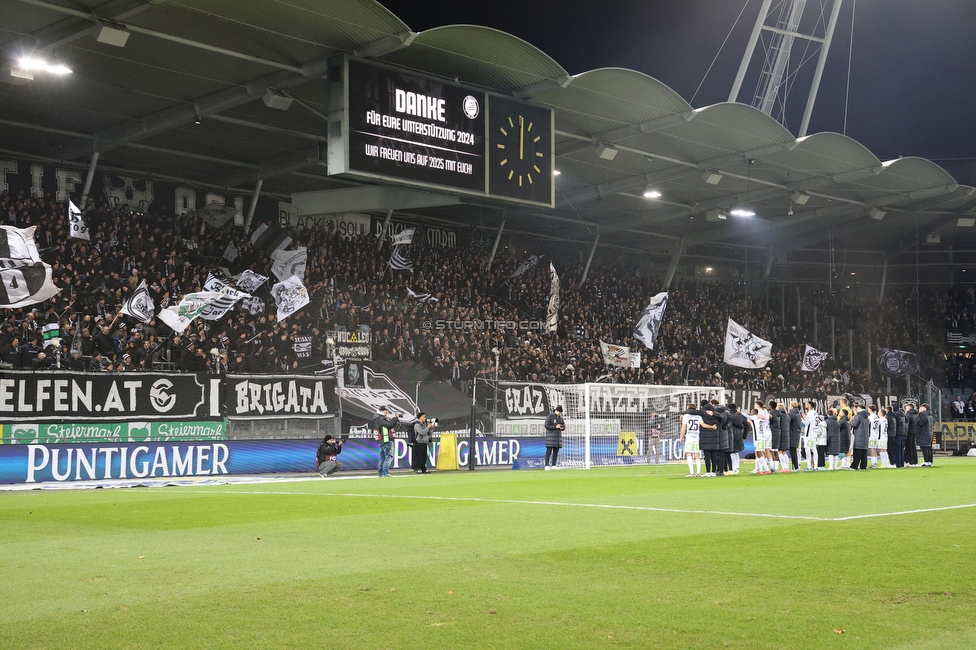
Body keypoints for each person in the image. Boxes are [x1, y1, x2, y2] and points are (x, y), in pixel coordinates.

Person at [373, 406, 401, 478]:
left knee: (383, 457)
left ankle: (381, 474)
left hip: (381, 440)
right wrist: (395, 418)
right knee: (389, 456)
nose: (387, 412)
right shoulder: (381, 418)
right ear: (382, 411)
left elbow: (387, 424)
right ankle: (385, 473)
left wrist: (394, 419)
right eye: (385, 411)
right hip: (386, 440)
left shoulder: (377, 418)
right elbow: (389, 425)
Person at [679, 403, 705, 476]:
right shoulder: (699, 416)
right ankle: (698, 472)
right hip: (696, 437)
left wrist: (681, 436)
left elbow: (684, 427)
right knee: (697, 454)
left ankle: (691, 472)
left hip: (689, 437)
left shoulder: (686, 416)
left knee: (688, 453)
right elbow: (703, 425)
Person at [544, 405, 565, 470]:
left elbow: (563, 426)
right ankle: (546, 465)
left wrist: (562, 427)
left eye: (560, 413)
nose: (560, 414)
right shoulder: (550, 417)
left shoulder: (560, 418)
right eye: (559, 412)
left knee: (556, 451)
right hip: (551, 437)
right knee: (549, 451)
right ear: (556, 411)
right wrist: (555, 426)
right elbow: (546, 426)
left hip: (558, 438)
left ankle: (553, 465)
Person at [850, 404, 870, 470]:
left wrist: (851, 422)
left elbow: (855, 424)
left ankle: (854, 466)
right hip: (865, 435)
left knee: (857, 451)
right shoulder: (867, 416)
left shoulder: (858, 416)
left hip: (859, 435)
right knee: (864, 452)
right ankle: (863, 466)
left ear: (858, 408)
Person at [904, 402, 920, 466]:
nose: (906, 408)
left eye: (907, 407)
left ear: (910, 408)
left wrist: (905, 433)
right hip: (914, 432)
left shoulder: (908, 415)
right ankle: (915, 461)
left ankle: (910, 462)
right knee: (913, 447)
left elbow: (907, 425)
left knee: (908, 447)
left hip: (909, 433)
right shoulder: (916, 415)